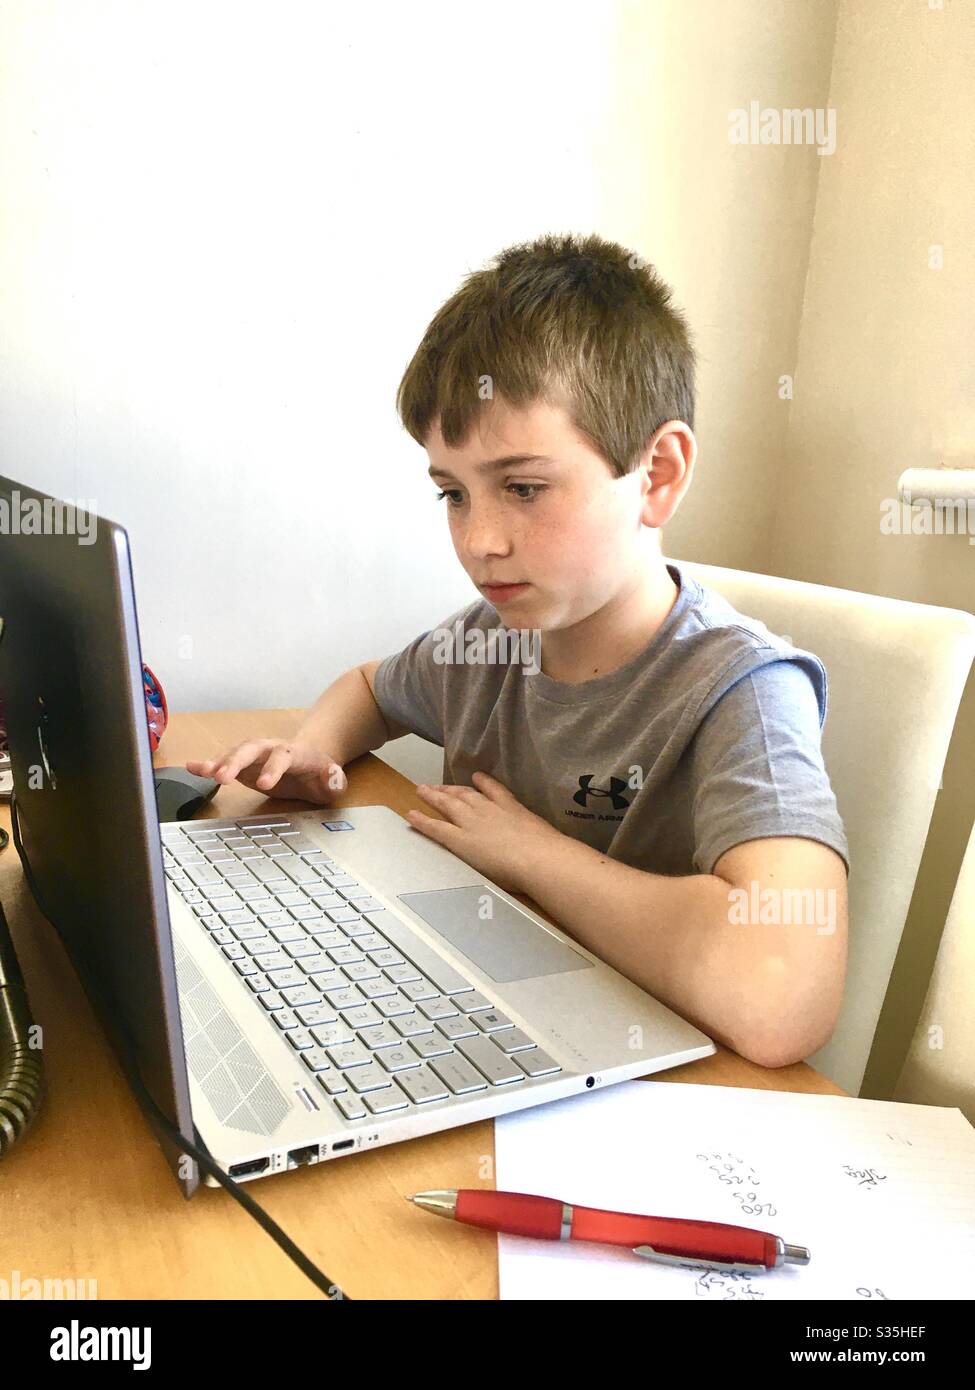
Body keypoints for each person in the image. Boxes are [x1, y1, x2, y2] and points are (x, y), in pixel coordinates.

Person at [186, 232, 849, 1069]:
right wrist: (314, 753)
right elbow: (371, 687)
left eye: (523, 488)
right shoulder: (488, 640)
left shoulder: (741, 691)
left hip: (645, 1080)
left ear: (657, 475)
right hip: (482, 1008)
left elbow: (781, 992)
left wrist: (536, 856)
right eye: (453, 494)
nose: (480, 540)